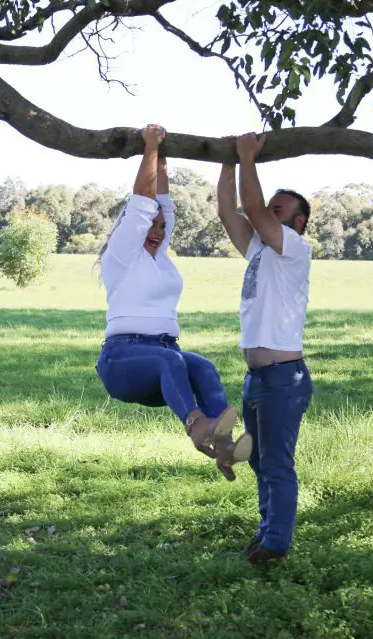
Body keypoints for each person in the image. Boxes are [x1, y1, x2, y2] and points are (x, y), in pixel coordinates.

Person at [95, 124, 251, 479]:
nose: (158, 231)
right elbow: (144, 202)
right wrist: (150, 148)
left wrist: (162, 158)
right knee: (171, 360)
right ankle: (197, 426)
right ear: (132, 226)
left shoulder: (159, 256)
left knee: (203, 367)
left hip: (166, 356)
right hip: (123, 360)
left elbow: (163, 205)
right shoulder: (122, 254)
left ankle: (225, 447)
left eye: (163, 228)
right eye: (151, 225)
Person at [216, 133, 315, 565]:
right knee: (259, 462)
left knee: (276, 464)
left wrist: (245, 156)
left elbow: (252, 208)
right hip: (257, 377)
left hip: (282, 378)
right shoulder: (259, 249)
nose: (264, 216)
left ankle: (275, 545)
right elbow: (227, 210)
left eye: (279, 211)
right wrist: (227, 162)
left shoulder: (294, 248)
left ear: (297, 223)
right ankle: (265, 532)